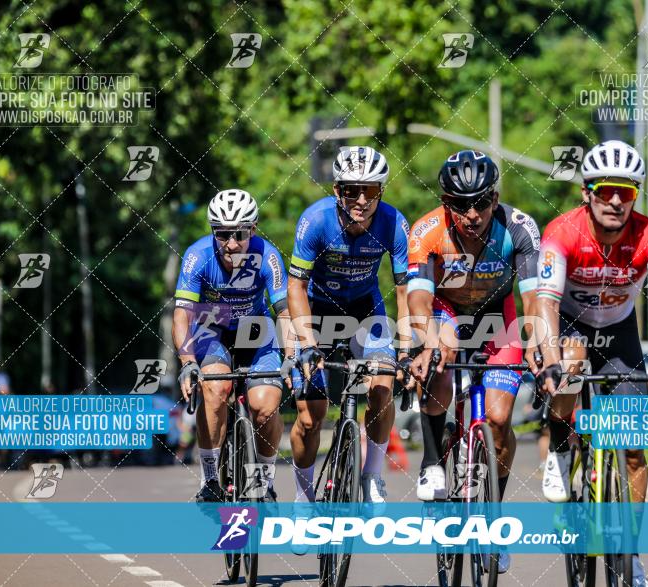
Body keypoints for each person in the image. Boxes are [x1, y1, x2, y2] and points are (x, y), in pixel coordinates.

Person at [535, 140, 648, 587]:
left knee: (634, 450)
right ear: (587, 192)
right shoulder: (561, 233)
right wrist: (549, 362)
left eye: (627, 192)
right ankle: (561, 452)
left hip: (620, 333)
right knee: (572, 363)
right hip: (569, 326)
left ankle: (630, 553)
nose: (617, 200)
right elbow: (544, 303)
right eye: (606, 191)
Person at [408, 150, 542, 574]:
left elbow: (534, 297)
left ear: (495, 197)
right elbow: (418, 296)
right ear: (445, 202)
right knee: (440, 358)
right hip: (446, 312)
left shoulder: (518, 228)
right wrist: (428, 340)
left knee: (500, 419)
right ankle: (432, 464)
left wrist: (539, 343)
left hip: (497, 316)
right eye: (461, 204)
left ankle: (494, 515)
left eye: (482, 202)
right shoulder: (428, 230)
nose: (472, 213)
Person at [288, 146, 411, 506]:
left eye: (370, 191)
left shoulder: (393, 223)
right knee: (311, 418)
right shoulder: (316, 221)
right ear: (336, 190)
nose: (361, 200)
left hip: (364, 310)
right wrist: (308, 343)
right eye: (351, 190)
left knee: (382, 386)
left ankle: (372, 475)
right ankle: (303, 495)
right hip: (318, 312)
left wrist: (405, 347)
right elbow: (295, 287)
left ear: (381, 192)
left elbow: (404, 292)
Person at [173, 189, 290, 503]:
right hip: (212, 330)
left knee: (264, 408)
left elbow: (285, 312)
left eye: (239, 234)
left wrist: (293, 353)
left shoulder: (268, 256)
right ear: (213, 231)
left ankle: (262, 480)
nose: (232, 243)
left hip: (256, 331)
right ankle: (210, 479)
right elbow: (182, 315)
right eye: (222, 234)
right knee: (216, 389)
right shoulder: (198, 256)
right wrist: (187, 361)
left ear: (253, 229)